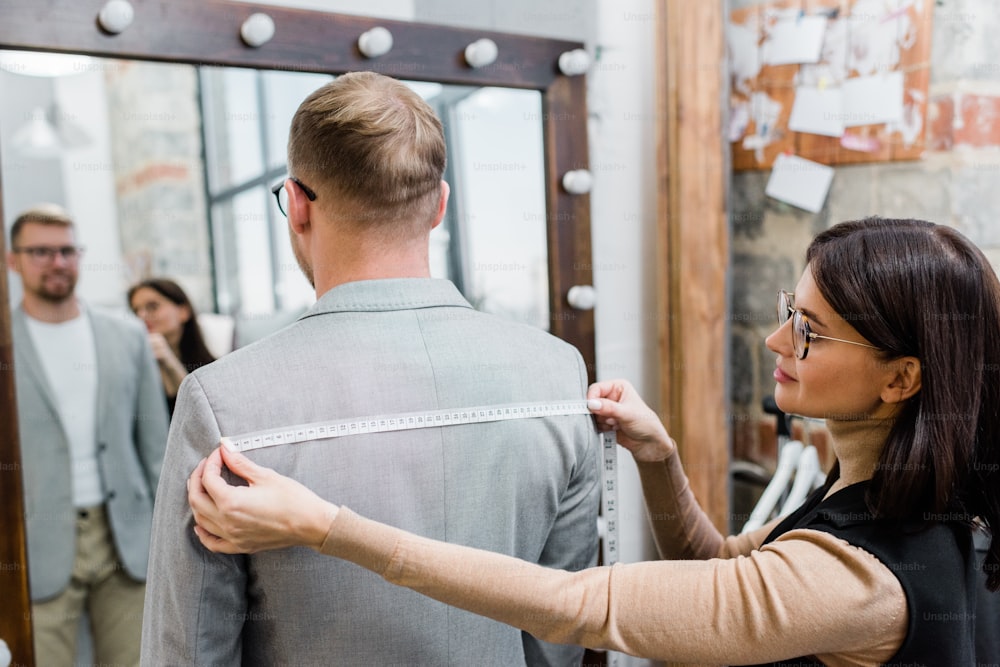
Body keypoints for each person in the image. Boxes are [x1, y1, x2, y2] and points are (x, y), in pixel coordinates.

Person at [188, 217, 1000, 665]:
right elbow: (723, 568)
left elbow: (582, 603)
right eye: (793, 310)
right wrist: (660, 457)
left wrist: (325, 525)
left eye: (811, 333)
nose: (776, 344)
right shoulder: (904, 502)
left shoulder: (857, 577)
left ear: (901, 378)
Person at [140, 71, 601, 666]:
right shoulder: (557, 373)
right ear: (439, 205)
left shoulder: (222, 401)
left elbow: (189, 648)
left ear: (298, 204)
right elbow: (561, 629)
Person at [5, 204, 169, 666]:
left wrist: (168, 540)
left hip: (126, 539)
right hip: (36, 542)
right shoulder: (4, 342)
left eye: (67, 250)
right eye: (40, 251)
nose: (57, 262)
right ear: (12, 260)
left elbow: (156, 449)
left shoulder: (127, 337)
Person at [128, 277, 216, 416]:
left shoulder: (213, 369)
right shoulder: (133, 371)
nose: (142, 316)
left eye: (152, 306)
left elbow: (208, 416)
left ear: (183, 312)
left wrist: (169, 361)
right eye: (135, 311)